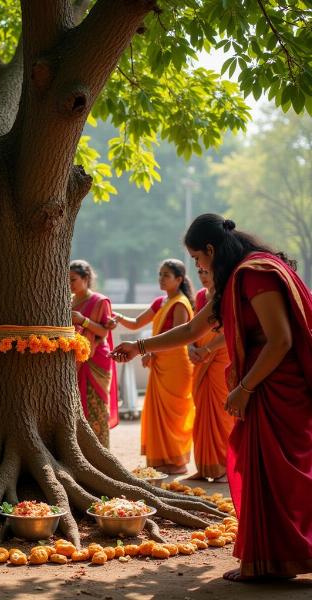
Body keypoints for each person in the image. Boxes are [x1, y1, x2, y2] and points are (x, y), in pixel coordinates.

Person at [112, 214, 312, 582]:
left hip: (277, 388)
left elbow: (280, 339)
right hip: (260, 387)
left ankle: (282, 558)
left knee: (283, 478)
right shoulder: (234, 281)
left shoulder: (255, 274)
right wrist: (138, 346)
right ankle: (271, 561)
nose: (198, 267)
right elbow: (191, 330)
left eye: (197, 259)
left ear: (210, 249)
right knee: (260, 474)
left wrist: (245, 388)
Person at [109, 259, 195, 474]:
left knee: (174, 416)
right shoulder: (161, 302)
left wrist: (150, 351)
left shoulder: (180, 304)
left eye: (166, 275)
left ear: (179, 279)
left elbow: (179, 336)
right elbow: (136, 323)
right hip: (160, 364)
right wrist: (117, 317)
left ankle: (177, 462)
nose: (161, 279)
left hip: (176, 365)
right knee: (158, 414)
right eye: (160, 274)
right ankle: (160, 460)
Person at [187, 268, 233, 482]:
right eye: (200, 272)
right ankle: (205, 467)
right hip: (200, 358)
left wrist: (206, 350)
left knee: (221, 413)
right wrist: (191, 348)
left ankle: (224, 467)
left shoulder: (227, 295)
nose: (203, 275)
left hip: (221, 357)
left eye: (207, 271)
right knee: (202, 412)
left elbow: (229, 332)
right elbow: (193, 329)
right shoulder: (199, 297)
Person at [70, 260, 118, 447]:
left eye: (73, 280)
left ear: (86, 278)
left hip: (95, 359)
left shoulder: (99, 301)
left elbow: (104, 331)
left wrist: (83, 321)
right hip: (73, 360)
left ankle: (99, 451)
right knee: (77, 406)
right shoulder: (69, 300)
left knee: (95, 407)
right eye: (67, 280)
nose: (69, 285)